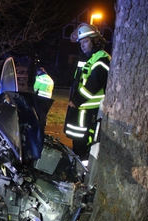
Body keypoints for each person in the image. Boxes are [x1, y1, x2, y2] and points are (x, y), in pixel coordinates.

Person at [63, 23, 111, 160]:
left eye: (85, 41)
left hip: (89, 112)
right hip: (81, 111)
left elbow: (93, 85)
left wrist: (76, 100)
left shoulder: (102, 58)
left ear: (95, 41)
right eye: (81, 43)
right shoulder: (89, 58)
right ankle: (77, 168)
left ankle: (83, 175)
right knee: (77, 145)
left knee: (85, 146)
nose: (82, 45)